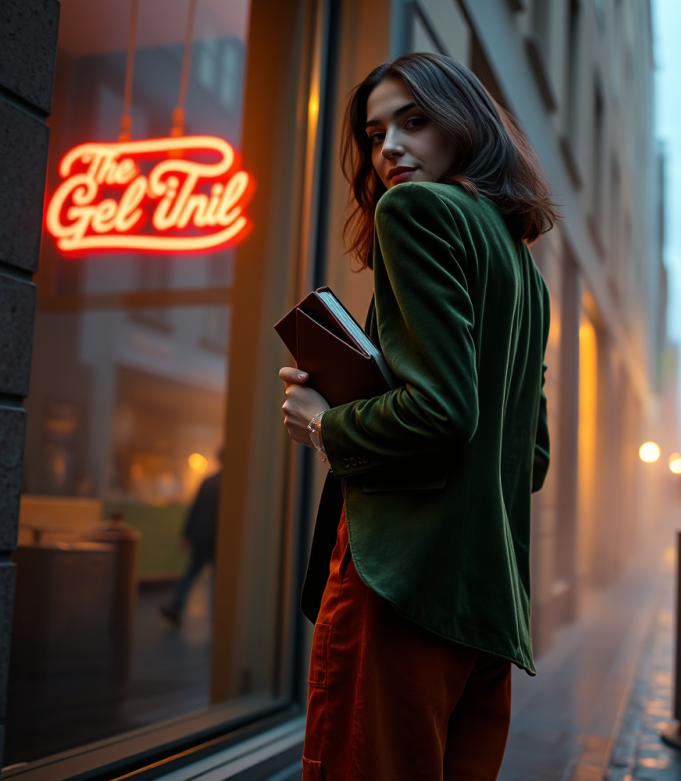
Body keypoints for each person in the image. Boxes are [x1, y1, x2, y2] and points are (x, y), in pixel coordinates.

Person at [280, 53, 557, 780]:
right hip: (486, 608)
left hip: (400, 586)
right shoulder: (524, 270)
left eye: (414, 121)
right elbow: (530, 459)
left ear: (464, 125)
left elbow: (441, 412)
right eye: (375, 135)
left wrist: (324, 423)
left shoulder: (415, 210)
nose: (390, 150)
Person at [160, 451, 222, 627]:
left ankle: (176, 605)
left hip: (201, 535)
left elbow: (195, 509)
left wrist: (186, 534)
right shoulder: (232, 484)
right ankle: (218, 618)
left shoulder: (208, 482)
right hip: (218, 537)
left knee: (192, 571)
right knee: (218, 579)